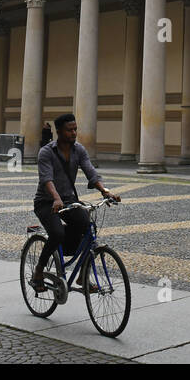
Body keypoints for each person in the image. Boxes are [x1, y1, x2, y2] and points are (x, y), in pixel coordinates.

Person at [31, 113, 118, 291]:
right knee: (56, 233)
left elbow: (90, 172)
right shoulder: (46, 152)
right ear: (59, 132)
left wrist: (105, 191)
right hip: (47, 202)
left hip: (69, 201)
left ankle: (82, 277)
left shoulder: (79, 150)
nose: (73, 133)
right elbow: (47, 179)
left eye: (75, 129)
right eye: (69, 130)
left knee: (88, 228)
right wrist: (56, 198)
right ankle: (39, 271)